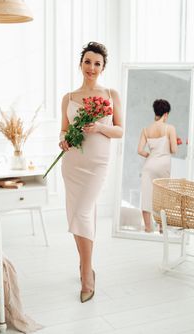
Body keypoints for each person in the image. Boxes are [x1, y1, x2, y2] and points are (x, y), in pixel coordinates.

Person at [59, 42, 123, 303]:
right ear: (80, 63)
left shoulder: (110, 94)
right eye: (88, 61)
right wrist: (63, 140)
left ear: (103, 67)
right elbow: (63, 131)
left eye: (97, 63)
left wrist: (99, 127)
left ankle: (87, 273)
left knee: (83, 212)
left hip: (97, 162)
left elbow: (120, 130)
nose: (92, 67)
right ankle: (86, 265)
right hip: (72, 162)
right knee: (78, 213)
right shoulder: (69, 97)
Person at [137, 99, 177, 232]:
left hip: (149, 165)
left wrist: (150, 156)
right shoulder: (169, 128)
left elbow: (140, 150)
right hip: (163, 165)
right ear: (166, 114)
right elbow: (173, 150)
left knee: (147, 195)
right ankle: (161, 228)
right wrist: (175, 142)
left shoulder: (146, 130)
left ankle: (148, 228)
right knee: (162, 196)